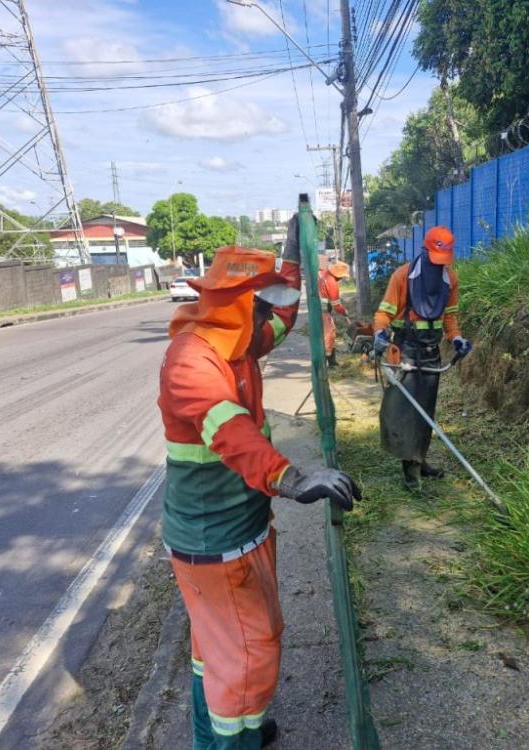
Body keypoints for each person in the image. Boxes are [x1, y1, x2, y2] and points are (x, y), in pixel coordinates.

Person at [158, 221, 361, 750]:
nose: (270, 316)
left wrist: (291, 260)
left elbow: (287, 316)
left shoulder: (236, 342)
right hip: (216, 543)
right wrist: (295, 479)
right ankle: (234, 736)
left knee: (218, 650)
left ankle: (229, 728)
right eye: (261, 305)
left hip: (235, 532)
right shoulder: (192, 363)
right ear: (237, 306)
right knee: (250, 655)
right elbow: (235, 437)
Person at [372, 225, 473, 490]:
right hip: (406, 348)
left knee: (426, 409)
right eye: (435, 258)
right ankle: (410, 469)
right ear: (425, 251)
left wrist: (457, 339)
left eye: (444, 260)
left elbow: (450, 317)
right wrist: (381, 332)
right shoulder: (403, 276)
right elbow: (384, 313)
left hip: (431, 352)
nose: (439, 265)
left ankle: (421, 458)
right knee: (405, 410)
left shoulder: (449, 279)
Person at [318, 259, 350, 367]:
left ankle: (331, 361)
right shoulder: (331, 282)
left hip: (318, 311)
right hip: (323, 312)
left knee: (324, 335)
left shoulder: (324, 275)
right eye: (342, 276)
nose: (341, 279)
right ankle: (328, 361)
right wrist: (345, 312)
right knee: (329, 335)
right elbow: (336, 306)